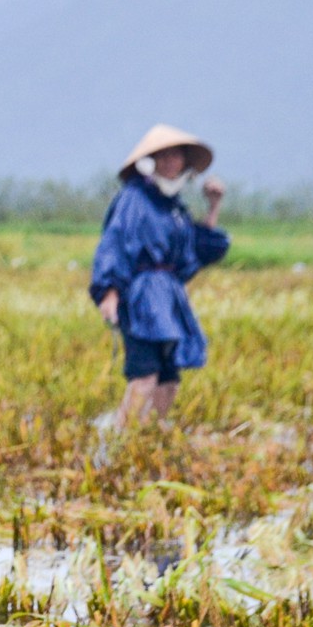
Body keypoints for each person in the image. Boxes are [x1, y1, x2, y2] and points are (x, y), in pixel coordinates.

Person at [88, 125, 230, 425]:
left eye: (176, 155)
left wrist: (213, 206)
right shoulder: (134, 198)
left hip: (168, 300)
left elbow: (201, 248)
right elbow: (115, 243)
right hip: (141, 297)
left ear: (184, 162)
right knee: (144, 375)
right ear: (149, 161)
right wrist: (109, 292)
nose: (170, 162)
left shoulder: (173, 208)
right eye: (162, 156)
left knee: (169, 378)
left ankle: (151, 438)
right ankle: (119, 442)